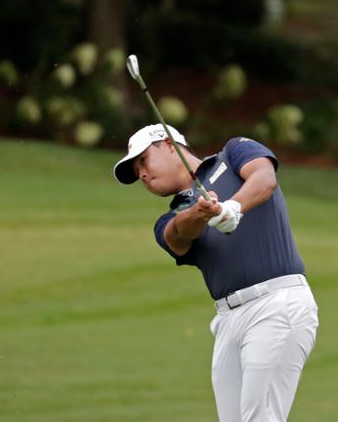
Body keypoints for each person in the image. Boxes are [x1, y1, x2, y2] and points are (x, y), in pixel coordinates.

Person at [113, 124, 319, 422]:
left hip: (277, 303)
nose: (142, 174)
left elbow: (264, 178)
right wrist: (201, 212)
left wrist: (233, 206)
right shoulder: (170, 218)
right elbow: (179, 235)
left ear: (169, 145)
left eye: (143, 160)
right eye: (136, 171)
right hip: (228, 321)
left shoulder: (233, 153)